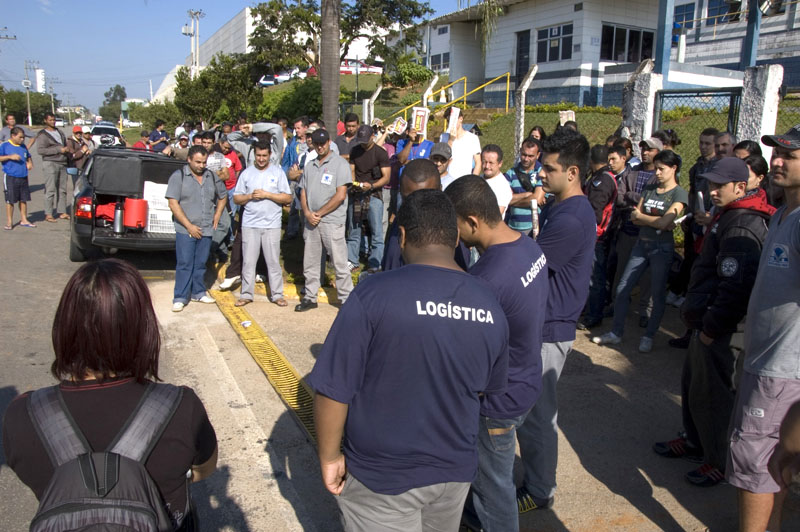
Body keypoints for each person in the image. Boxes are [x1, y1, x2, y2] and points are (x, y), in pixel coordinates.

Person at [306, 189, 509, 532]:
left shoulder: (373, 294)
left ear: (401, 237)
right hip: (454, 474)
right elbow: (483, 391)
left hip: (382, 477)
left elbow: (333, 390)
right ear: (456, 236)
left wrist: (329, 456)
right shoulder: (489, 303)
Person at [2, 259, 218, 531]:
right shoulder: (182, 407)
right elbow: (202, 470)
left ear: (65, 325)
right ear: (143, 328)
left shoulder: (22, 414)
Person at [652, 156, 773, 488]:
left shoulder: (742, 223)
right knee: (695, 387)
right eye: (711, 183)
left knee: (716, 397)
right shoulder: (729, 215)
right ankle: (695, 443)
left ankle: (717, 460)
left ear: (740, 186)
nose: (712, 189)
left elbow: (735, 286)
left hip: (719, 328)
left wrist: (710, 329)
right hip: (704, 322)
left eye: (720, 185)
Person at [445, 175, 548, 532]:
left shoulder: (487, 279)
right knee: (491, 483)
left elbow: (469, 355)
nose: (453, 236)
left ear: (472, 220)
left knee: (495, 490)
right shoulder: (530, 247)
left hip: (497, 405)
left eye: (455, 226)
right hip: (527, 380)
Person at [515, 128, 595, 513]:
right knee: (531, 411)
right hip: (543, 321)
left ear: (573, 172)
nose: (540, 175)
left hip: (550, 328)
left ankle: (540, 489)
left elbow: (533, 266)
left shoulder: (572, 218)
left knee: (537, 415)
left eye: (548, 168)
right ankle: (536, 480)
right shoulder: (558, 207)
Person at [725, 124, 800, 532]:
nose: (778, 161)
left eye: (790, 155)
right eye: (777, 152)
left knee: (755, 464)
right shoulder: (784, 213)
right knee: (772, 465)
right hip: (766, 361)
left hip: (781, 370)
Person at [593, 149, 688, 352]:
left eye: (662, 169)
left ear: (674, 169)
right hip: (641, 245)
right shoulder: (651, 187)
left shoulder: (679, 194)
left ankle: (649, 335)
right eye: (656, 168)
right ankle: (616, 333)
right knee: (622, 289)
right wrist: (658, 222)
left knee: (657, 293)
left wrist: (654, 221)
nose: (657, 173)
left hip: (661, 248)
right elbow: (636, 216)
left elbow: (664, 222)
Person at [668, 127, 720, 348]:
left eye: (708, 143)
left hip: (712, 227)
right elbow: (692, 192)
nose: (703, 146)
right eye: (701, 142)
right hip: (696, 226)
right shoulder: (697, 166)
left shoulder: (719, 168)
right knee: (693, 275)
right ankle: (689, 331)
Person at [166, 145, 228, 312]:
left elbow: (223, 196)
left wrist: (217, 214)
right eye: (198, 162)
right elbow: (173, 203)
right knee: (185, 263)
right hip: (185, 229)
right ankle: (180, 296)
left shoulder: (211, 176)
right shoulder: (178, 176)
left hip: (206, 228)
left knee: (201, 263)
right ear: (189, 160)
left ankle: (198, 292)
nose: (201, 165)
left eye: (204, 162)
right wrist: (189, 226)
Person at [297, 128, 353, 311]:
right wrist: (307, 212)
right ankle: (310, 297)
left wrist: (319, 213)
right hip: (311, 220)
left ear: (329, 142)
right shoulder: (310, 165)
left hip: (331, 220)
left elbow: (340, 196)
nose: (320, 146)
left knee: (339, 262)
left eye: (323, 143)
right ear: (312, 143)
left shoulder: (340, 164)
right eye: (317, 143)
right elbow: (302, 190)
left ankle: (346, 300)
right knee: (311, 261)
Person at [233, 140, 292, 308]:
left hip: (271, 225)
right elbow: (237, 198)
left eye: (264, 156)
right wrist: (250, 196)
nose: (261, 159)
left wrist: (267, 195)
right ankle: (246, 294)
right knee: (248, 262)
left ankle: (277, 295)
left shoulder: (278, 173)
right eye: (258, 155)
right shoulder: (246, 174)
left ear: (270, 155)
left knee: (273, 261)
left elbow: (287, 197)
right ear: (254, 155)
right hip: (250, 224)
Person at [578, 144, 618, 330]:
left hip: (595, 237)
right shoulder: (599, 177)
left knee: (595, 279)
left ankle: (594, 316)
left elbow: (596, 212)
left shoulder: (602, 180)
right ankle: (589, 311)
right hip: (593, 236)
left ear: (592, 161)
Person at [347, 124, 391, 272]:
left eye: (366, 140)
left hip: (374, 194)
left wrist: (371, 186)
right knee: (354, 229)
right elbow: (352, 169)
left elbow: (386, 177)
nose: (363, 143)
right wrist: (354, 184)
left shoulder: (380, 153)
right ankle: (352, 260)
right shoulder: (355, 151)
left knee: (376, 232)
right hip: (357, 193)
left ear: (373, 136)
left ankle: (375, 263)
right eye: (361, 140)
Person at [505, 137, 544, 234]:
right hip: (512, 227)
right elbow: (504, 198)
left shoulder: (542, 173)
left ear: (538, 155)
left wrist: (512, 201)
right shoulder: (510, 173)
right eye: (523, 155)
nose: (526, 159)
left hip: (534, 227)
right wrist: (527, 195)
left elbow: (537, 199)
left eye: (530, 156)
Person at [36, 112, 70, 223]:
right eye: (50, 120)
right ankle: (48, 213)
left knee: (62, 189)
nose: (53, 122)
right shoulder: (43, 135)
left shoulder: (59, 132)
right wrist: (58, 150)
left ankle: (62, 211)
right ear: (45, 121)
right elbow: (41, 151)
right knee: (50, 190)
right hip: (50, 163)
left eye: (54, 120)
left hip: (62, 163)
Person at [1, 127, 35, 229]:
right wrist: (9, 157)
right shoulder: (5, 146)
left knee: (23, 199)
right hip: (11, 176)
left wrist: (29, 163)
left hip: (23, 176)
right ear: (13, 136)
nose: (22, 139)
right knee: (10, 200)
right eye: (20, 137)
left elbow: (28, 156)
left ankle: (24, 219)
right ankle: (9, 222)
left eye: (23, 137)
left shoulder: (23, 146)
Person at [440, 111, 481, 178]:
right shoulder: (443, 136)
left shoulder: (473, 138)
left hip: (465, 179)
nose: (451, 123)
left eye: (453, 120)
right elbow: (442, 158)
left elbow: (478, 162)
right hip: (447, 179)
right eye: (448, 121)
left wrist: (473, 180)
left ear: (461, 119)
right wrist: (450, 140)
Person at [481, 144, 513, 216]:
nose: (487, 166)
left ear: (500, 163)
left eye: (491, 163)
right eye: (484, 162)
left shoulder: (502, 186)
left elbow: (495, 217)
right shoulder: (478, 179)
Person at [219, 135, 243, 215]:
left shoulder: (233, 154)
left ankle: (231, 227)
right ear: (220, 144)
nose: (226, 150)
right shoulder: (216, 154)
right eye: (225, 147)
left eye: (229, 148)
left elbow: (238, 168)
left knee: (231, 212)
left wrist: (235, 180)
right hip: (219, 188)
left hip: (231, 188)